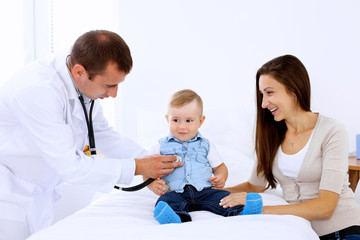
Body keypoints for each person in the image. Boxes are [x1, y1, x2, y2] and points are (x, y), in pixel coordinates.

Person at [0, 30, 182, 239]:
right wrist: (139, 167)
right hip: (8, 192)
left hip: (39, 192)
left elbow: (103, 134)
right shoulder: (37, 91)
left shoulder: (81, 77)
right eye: (109, 85)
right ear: (79, 72)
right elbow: (70, 165)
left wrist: (152, 162)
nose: (114, 94)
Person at [220, 55, 360, 239]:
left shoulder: (332, 131)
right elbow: (254, 186)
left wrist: (260, 210)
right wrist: (202, 192)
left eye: (269, 93)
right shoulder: (271, 135)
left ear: (294, 89)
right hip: (302, 232)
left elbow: (326, 207)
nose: (263, 104)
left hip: (343, 230)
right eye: (262, 95)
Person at [145, 89, 263, 224]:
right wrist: (152, 183)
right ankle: (175, 218)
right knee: (166, 201)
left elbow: (219, 167)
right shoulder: (159, 146)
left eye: (189, 120)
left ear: (201, 121)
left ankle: (242, 211)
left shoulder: (206, 145)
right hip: (176, 192)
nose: (182, 126)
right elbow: (146, 169)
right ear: (167, 119)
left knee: (225, 198)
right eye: (176, 120)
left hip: (206, 191)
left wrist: (221, 177)